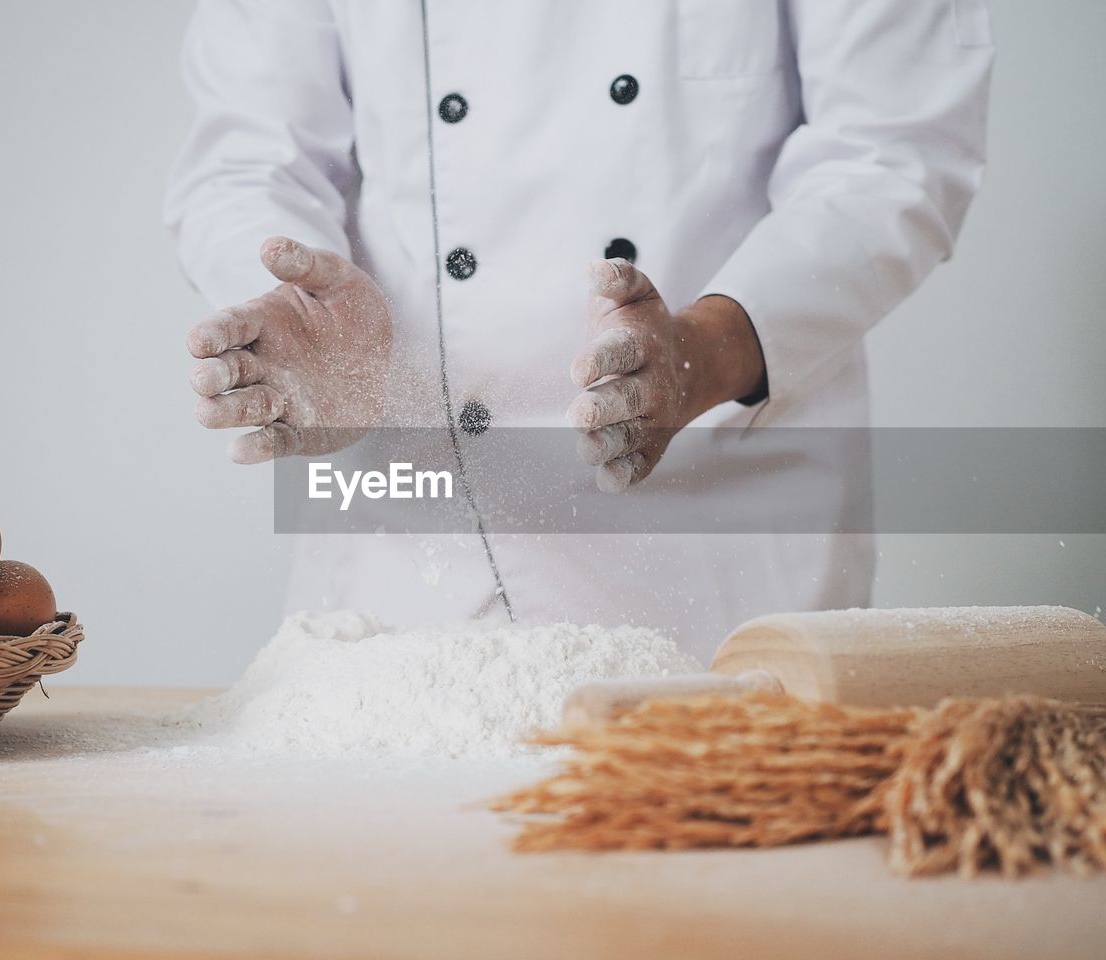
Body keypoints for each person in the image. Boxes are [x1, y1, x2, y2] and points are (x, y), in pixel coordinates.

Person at [164, 0, 994, 662]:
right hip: (407, 546)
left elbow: (893, 153)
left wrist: (709, 349)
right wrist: (292, 301)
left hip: (724, 539)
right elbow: (248, 153)